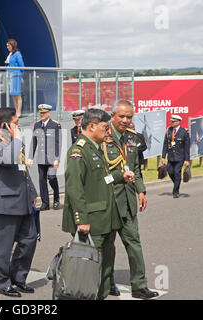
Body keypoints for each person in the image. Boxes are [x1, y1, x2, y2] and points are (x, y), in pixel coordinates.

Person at [62, 108, 135, 300]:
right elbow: (75, 189)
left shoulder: (94, 147)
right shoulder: (78, 151)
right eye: (104, 127)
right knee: (90, 271)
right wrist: (81, 220)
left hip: (104, 220)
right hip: (92, 222)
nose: (107, 131)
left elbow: (102, 179)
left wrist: (120, 176)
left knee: (105, 267)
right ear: (92, 126)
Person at [102, 100, 158, 299]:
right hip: (108, 202)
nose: (125, 121)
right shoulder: (102, 138)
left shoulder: (133, 138)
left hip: (127, 201)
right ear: (113, 116)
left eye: (129, 117)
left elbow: (135, 168)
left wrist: (141, 191)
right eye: (122, 116)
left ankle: (139, 285)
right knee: (108, 246)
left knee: (134, 243)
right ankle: (108, 282)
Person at [0, 107, 38, 298]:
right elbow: (6, 160)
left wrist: (32, 190)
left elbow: (22, 168)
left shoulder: (15, 142)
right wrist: (16, 139)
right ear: (5, 124)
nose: (19, 125)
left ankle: (18, 278)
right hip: (4, 204)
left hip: (22, 200)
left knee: (29, 240)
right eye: (15, 122)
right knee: (3, 247)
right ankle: (3, 283)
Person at [27, 104, 61, 211]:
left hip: (52, 158)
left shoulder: (55, 125)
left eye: (44, 113)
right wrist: (30, 157)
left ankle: (56, 199)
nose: (42, 114)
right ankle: (45, 203)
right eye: (40, 113)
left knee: (51, 178)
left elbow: (58, 143)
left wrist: (57, 158)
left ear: (48, 113)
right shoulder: (37, 125)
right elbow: (34, 142)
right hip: (41, 158)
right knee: (42, 181)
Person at [161, 114, 190, 198]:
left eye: (173, 122)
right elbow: (165, 144)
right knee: (170, 172)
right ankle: (177, 182)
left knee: (177, 172)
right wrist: (163, 156)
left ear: (178, 122)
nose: (172, 123)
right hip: (171, 156)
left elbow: (187, 147)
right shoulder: (168, 130)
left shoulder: (184, 132)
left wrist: (187, 160)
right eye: (171, 121)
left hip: (180, 157)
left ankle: (175, 191)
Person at [5, 39, 25, 117]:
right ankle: (16, 111)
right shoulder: (10, 54)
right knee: (13, 94)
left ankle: (19, 111)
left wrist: (21, 76)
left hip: (16, 75)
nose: (7, 47)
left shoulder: (17, 54)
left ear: (12, 45)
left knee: (17, 94)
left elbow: (22, 66)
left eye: (8, 45)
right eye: (6, 46)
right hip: (11, 76)